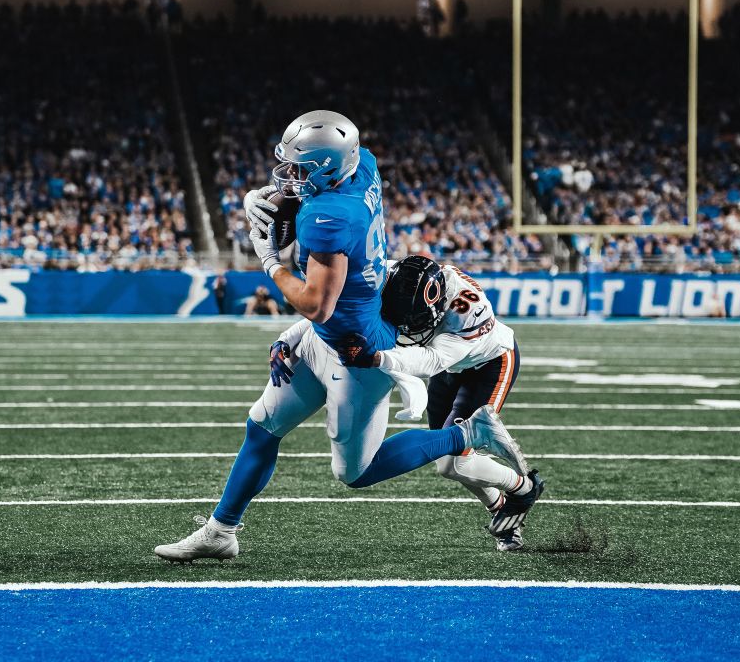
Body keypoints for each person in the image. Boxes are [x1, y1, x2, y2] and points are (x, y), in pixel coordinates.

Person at [154, 111, 527, 562]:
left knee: (356, 472)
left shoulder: (329, 215)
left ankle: (468, 433)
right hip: (328, 334)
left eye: (302, 168)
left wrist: (270, 261)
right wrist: (266, 195)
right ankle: (221, 530)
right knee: (262, 427)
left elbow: (316, 304)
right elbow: (311, 246)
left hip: (357, 351)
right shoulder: (362, 164)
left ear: (330, 167)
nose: (291, 176)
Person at [281, 256, 544, 551]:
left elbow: (431, 360)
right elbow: (338, 300)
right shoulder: (392, 275)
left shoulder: (466, 310)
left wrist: (377, 358)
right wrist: (290, 337)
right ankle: (501, 511)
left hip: (488, 363)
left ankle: (524, 488)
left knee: (453, 462)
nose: (407, 325)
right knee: (450, 455)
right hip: (449, 367)